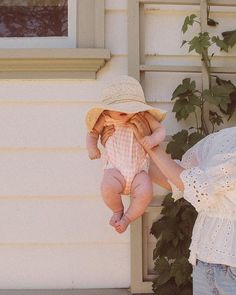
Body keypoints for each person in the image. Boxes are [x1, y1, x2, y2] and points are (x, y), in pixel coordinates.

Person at [102, 116, 236, 294]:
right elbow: (176, 176)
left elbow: (199, 187)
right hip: (204, 261)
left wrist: (151, 145)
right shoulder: (225, 137)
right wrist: (122, 154)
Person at [85, 75, 167, 233]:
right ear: (107, 108)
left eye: (130, 108)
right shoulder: (105, 118)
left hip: (139, 172)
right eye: (121, 109)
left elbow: (160, 130)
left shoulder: (142, 116)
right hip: (115, 170)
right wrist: (92, 148)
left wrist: (152, 138)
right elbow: (92, 134)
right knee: (107, 188)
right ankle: (117, 210)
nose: (127, 113)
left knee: (145, 193)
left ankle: (127, 218)